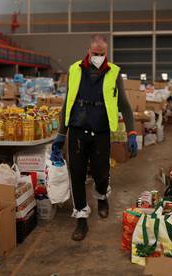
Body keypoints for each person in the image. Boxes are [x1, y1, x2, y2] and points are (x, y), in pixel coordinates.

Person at [51, 34, 138, 241]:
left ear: (106, 53)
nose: (98, 57)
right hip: (78, 131)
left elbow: (124, 105)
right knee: (77, 174)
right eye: (95, 53)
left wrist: (132, 133)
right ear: (88, 51)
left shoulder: (114, 72)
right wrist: (61, 135)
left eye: (102, 54)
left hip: (101, 131)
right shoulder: (74, 70)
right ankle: (81, 219)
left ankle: (101, 196)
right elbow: (67, 103)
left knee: (101, 172)